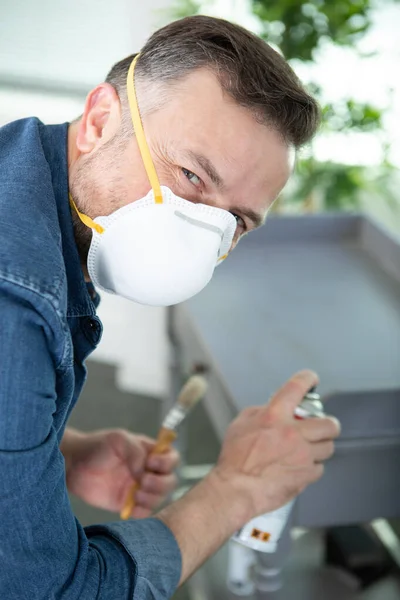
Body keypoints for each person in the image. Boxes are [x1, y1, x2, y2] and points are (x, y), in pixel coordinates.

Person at [0, 14, 340, 600]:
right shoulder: (18, 308)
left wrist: (57, 451)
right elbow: (58, 592)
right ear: (102, 120)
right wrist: (237, 487)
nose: (201, 233)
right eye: (189, 176)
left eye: (237, 221)